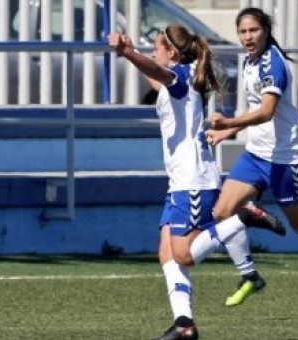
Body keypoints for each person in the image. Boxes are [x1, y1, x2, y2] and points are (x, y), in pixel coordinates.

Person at [109, 25, 285, 340]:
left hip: (192, 182)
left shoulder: (179, 78)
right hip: (181, 181)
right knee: (166, 253)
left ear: (172, 53)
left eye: (157, 48)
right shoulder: (180, 76)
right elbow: (155, 73)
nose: (152, 53)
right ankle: (184, 325)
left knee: (184, 255)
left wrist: (128, 53)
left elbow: (156, 71)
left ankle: (244, 215)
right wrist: (132, 56)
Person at [205, 7, 298, 320]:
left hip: (285, 160)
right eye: (242, 32)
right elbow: (256, 110)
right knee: (222, 212)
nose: (247, 37)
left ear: (266, 31)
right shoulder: (248, 61)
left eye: (253, 30)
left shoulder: (273, 63)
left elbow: (267, 111)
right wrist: (229, 131)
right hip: (256, 155)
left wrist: (229, 120)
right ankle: (250, 276)